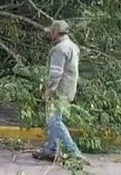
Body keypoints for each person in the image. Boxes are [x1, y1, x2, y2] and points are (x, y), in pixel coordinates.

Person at [33, 20, 84, 161]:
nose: (49, 34)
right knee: (53, 120)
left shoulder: (59, 49)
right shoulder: (72, 46)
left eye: (51, 32)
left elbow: (56, 74)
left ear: (56, 32)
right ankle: (51, 149)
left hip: (59, 90)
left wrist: (49, 91)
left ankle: (74, 153)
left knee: (54, 121)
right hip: (68, 89)